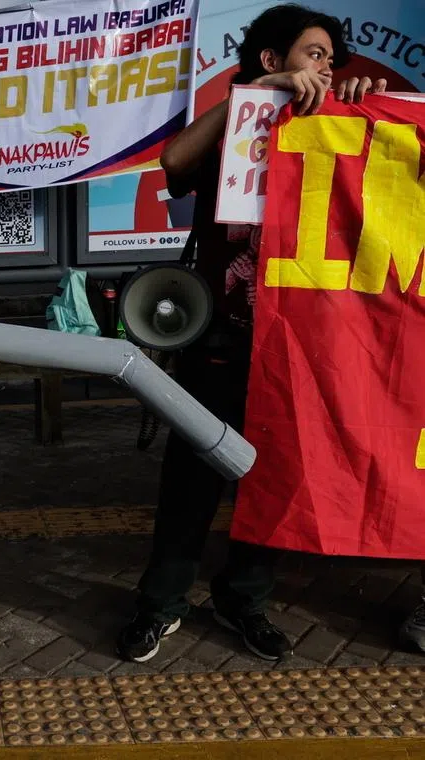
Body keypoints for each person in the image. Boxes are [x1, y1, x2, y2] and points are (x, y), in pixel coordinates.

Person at [116, 3, 386, 664]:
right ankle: (162, 602)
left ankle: (244, 598)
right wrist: (256, 100)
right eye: (314, 54)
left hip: (299, 350)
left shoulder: (341, 127)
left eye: (331, 60)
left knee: (275, 480)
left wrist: (362, 111)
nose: (326, 68)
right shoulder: (238, 127)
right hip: (220, 345)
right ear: (271, 60)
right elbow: (173, 162)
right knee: (191, 481)